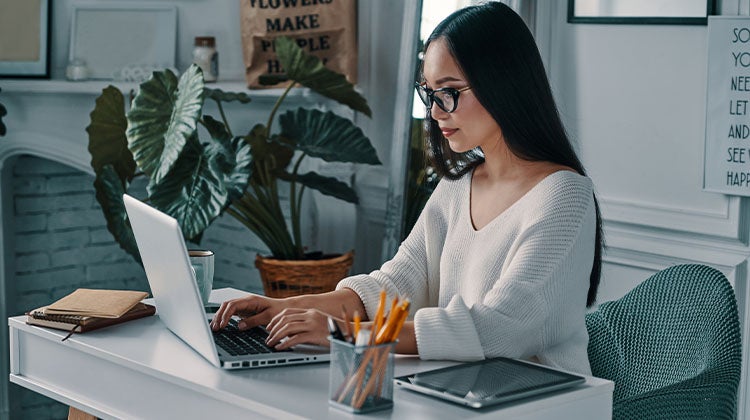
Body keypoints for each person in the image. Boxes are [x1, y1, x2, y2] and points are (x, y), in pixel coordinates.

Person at [211, 2, 603, 375]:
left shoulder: (563, 197)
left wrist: (344, 333)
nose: (434, 112)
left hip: (543, 401)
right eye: (429, 94)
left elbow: (500, 328)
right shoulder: (459, 185)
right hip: (461, 389)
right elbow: (395, 285)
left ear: (503, 84)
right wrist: (285, 307)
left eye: (448, 92)